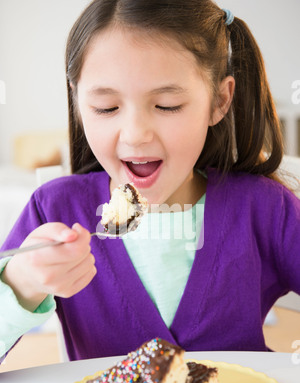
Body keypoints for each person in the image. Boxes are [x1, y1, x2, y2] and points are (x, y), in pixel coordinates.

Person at [1, 0, 300, 363]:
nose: (135, 135)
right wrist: (22, 284)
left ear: (219, 101)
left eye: (167, 105)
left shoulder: (265, 208)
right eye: (106, 108)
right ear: (78, 102)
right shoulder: (54, 210)